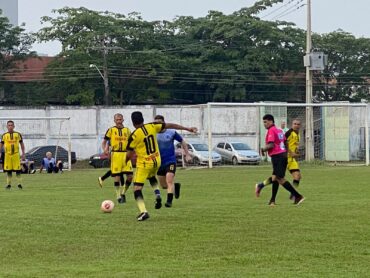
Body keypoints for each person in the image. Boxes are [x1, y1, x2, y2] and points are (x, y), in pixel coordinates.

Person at [126, 111, 197, 221]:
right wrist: (188, 128)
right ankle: (158, 194)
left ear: (133, 122)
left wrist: (125, 161)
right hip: (157, 161)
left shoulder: (133, 136)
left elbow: (129, 154)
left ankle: (144, 211)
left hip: (146, 164)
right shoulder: (152, 126)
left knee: (137, 188)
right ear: (143, 119)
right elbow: (172, 125)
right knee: (158, 181)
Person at [256, 114, 304, 206]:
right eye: (264, 122)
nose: (264, 124)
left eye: (265, 122)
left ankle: (297, 196)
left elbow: (271, 145)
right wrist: (287, 153)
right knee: (275, 177)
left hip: (278, 156)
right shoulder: (279, 130)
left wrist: (262, 149)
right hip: (284, 156)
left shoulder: (271, 130)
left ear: (271, 121)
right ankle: (272, 200)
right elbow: (285, 142)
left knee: (279, 178)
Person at [154, 115, 192, 208]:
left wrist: (187, 154)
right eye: (156, 123)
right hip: (159, 162)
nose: (158, 124)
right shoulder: (152, 133)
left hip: (170, 161)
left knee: (169, 180)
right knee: (164, 186)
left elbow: (182, 141)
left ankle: (169, 201)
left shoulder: (171, 132)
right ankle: (176, 186)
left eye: (159, 122)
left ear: (164, 123)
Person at [101, 113, 133, 204]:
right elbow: (104, 142)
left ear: (123, 120)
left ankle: (123, 193)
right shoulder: (111, 130)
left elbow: (132, 142)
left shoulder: (127, 130)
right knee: (117, 176)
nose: (119, 121)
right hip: (115, 154)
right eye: (117, 119)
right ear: (114, 120)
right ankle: (118, 196)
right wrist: (105, 149)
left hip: (126, 154)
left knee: (130, 176)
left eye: (120, 119)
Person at [0, 120, 26, 189]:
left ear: (14, 126)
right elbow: (1, 145)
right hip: (8, 155)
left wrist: (23, 153)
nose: (10, 126)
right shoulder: (4, 135)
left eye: (11, 125)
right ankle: (8, 185)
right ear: (7, 126)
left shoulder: (18, 134)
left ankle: (19, 184)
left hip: (16, 155)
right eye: (9, 125)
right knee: (9, 171)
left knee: (18, 171)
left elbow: (21, 144)